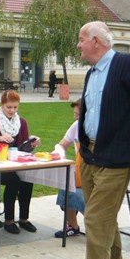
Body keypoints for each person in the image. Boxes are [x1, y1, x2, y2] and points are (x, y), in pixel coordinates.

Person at [64, 21, 130, 259]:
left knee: (95, 219)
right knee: (103, 220)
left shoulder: (126, 64)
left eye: (81, 39)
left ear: (96, 41)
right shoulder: (93, 72)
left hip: (117, 159)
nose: (79, 45)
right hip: (91, 155)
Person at [0, 90, 41, 234]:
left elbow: (22, 149)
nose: (12, 111)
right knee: (14, 180)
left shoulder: (21, 122)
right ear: (2, 105)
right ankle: (9, 220)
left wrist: (31, 145)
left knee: (27, 179)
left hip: (14, 163)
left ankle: (24, 219)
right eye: (9, 107)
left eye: (15, 107)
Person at [51, 99, 84, 238]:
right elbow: (62, 145)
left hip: (96, 174)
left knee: (84, 196)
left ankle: (98, 227)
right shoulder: (76, 126)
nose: (75, 117)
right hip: (79, 172)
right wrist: (59, 153)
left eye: (78, 115)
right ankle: (73, 225)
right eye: (74, 114)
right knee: (65, 184)